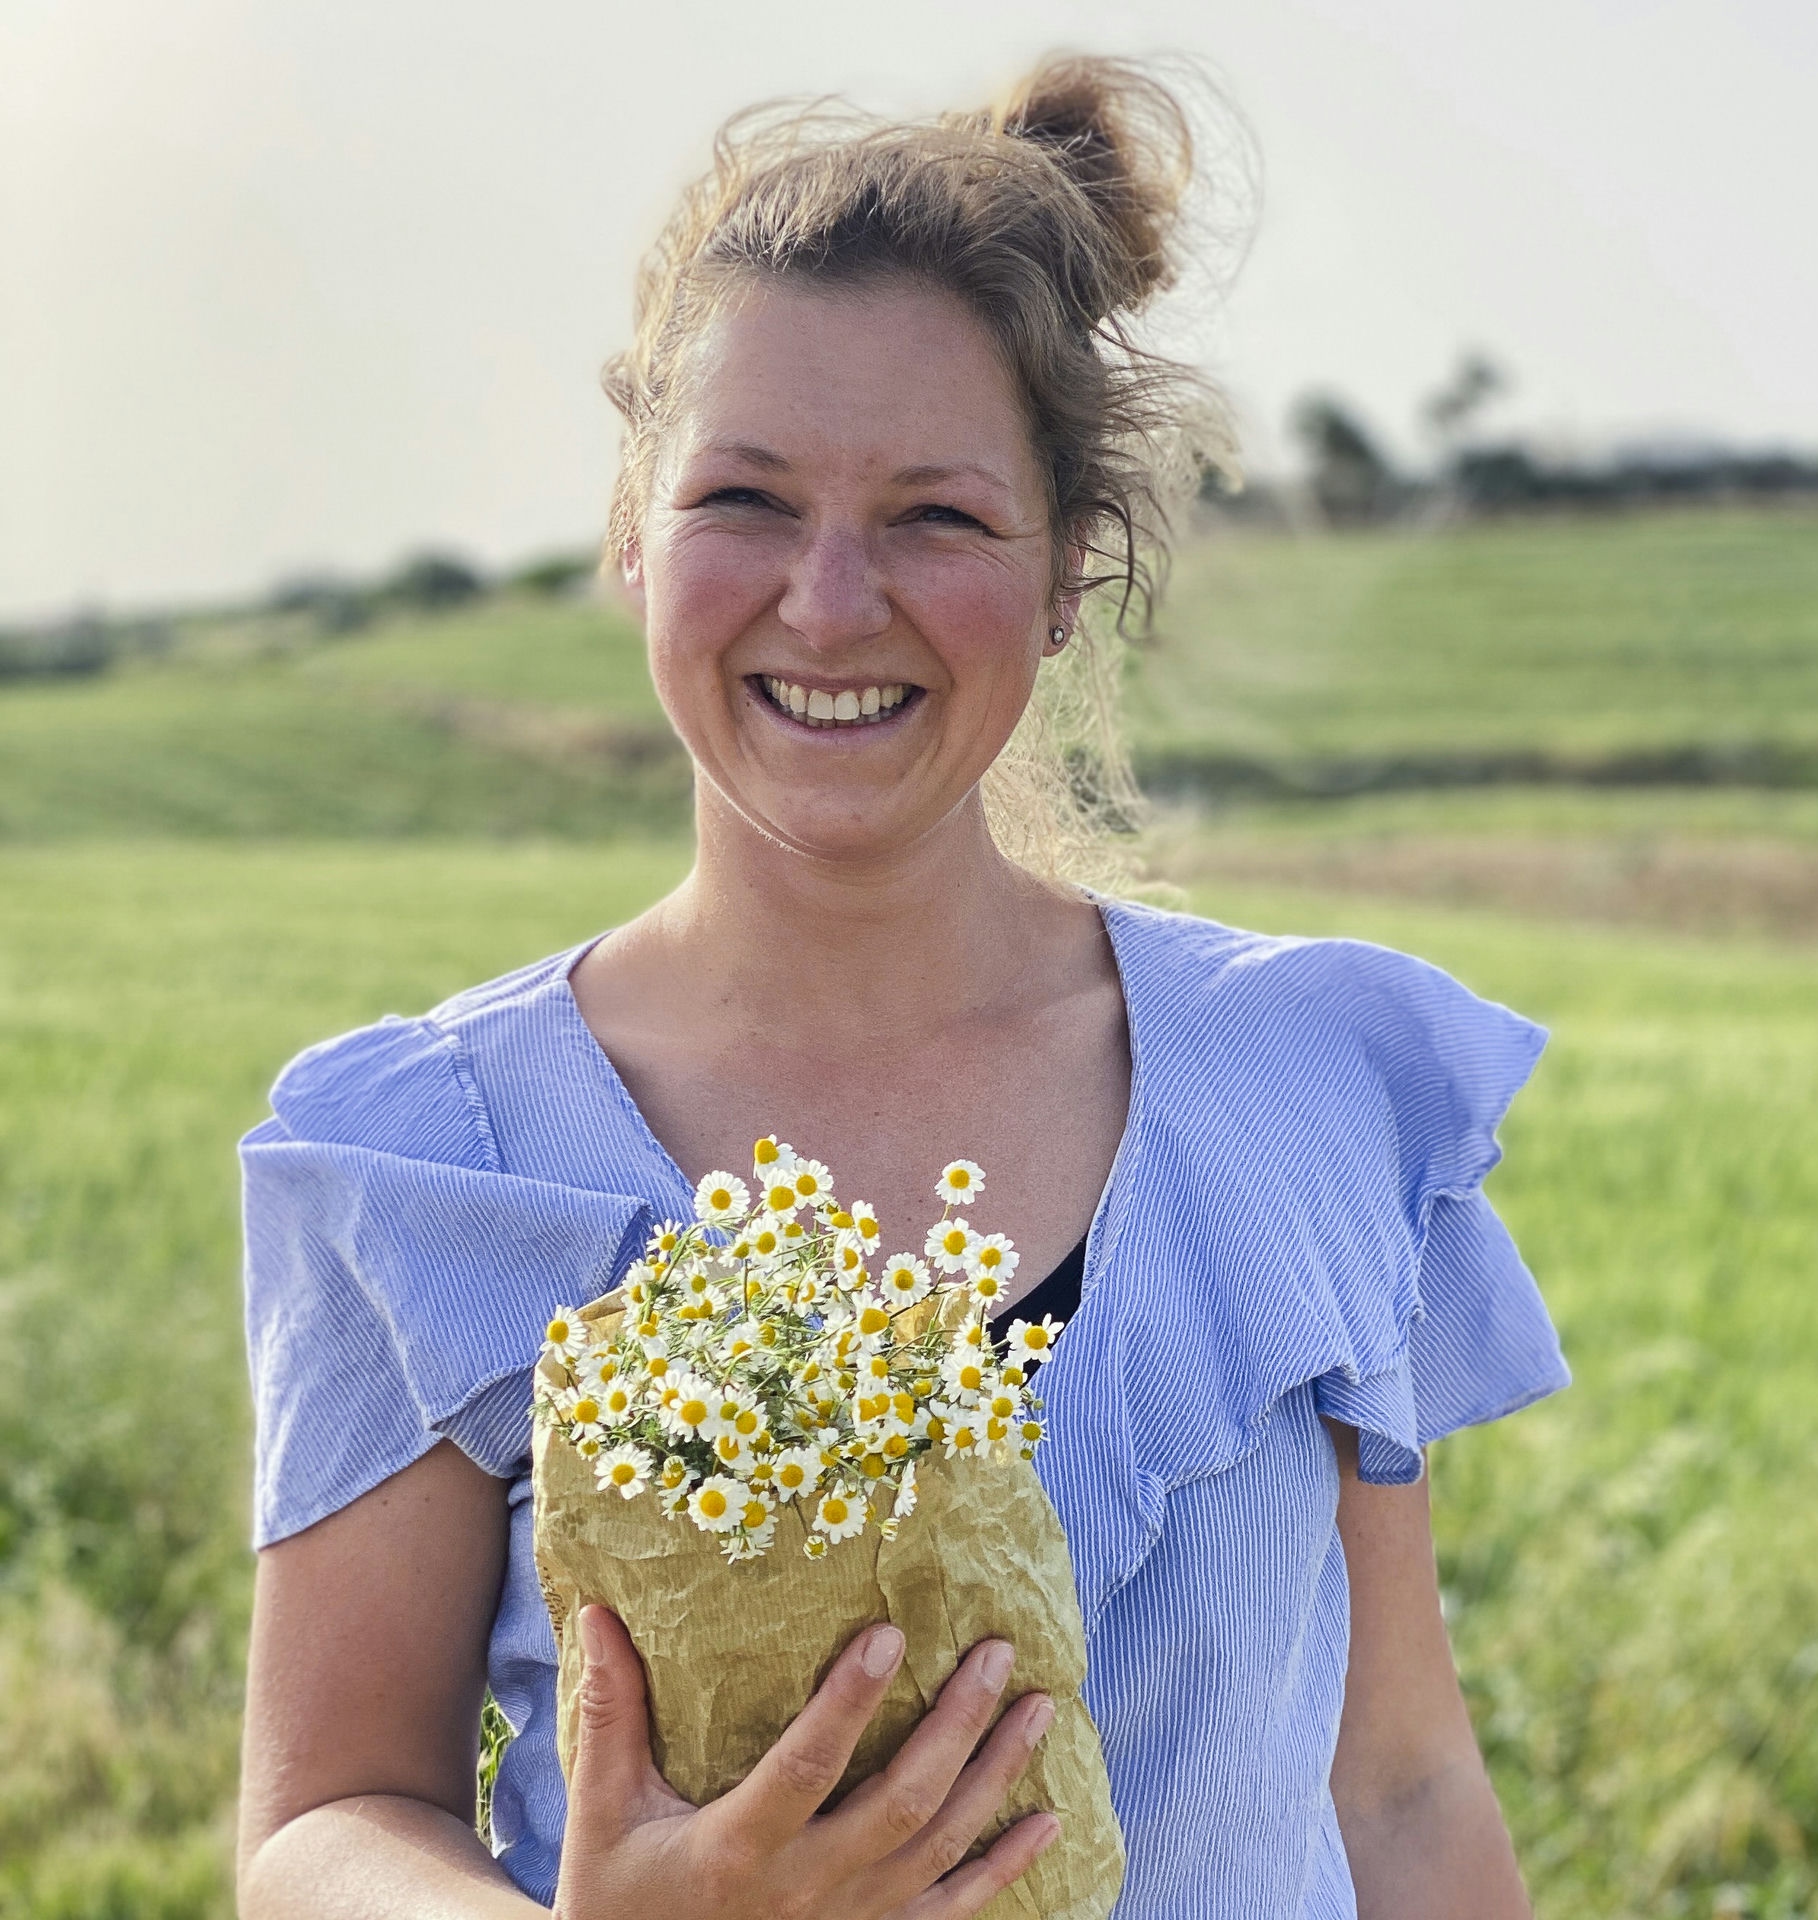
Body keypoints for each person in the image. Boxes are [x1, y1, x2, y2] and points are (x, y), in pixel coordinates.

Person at [234, 55, 1568, 1920]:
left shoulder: (1312, 1083)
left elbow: (1406, 1788)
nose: (834, 601)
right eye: (745, 499)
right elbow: (318, 1828)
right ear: (633, 533)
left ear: (1065, 580)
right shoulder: (425, 1155)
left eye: (937, 517)